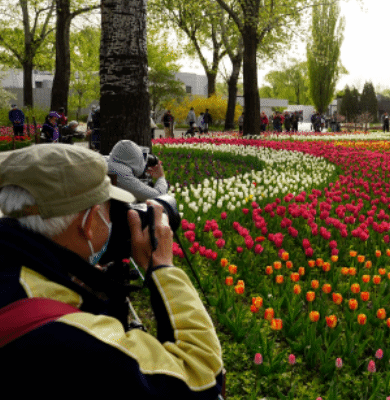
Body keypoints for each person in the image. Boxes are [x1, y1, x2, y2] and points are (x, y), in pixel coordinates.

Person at [0, 144, 224, 398]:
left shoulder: (19, 275)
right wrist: (163, 267)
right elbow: (201, 376)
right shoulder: (76, 337)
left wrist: (69, 278)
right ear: (88, 223)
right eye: (110, 209)